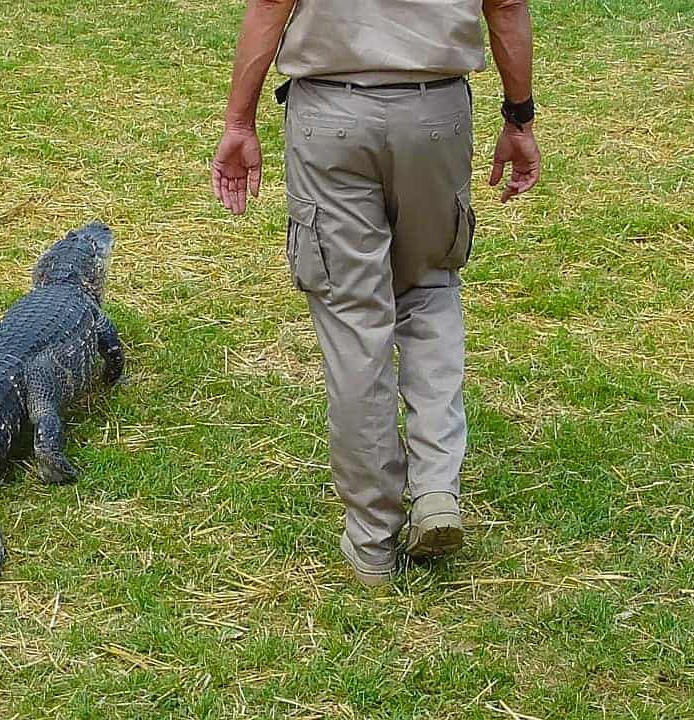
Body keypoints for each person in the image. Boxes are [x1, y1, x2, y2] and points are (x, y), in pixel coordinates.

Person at [212, 0, 541, 586]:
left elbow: (269, 5)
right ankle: (436, 486)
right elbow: (507, 6)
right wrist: (519, 118)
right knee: (431, 289)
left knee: (353, 319)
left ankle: (372, 538)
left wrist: (240, 121)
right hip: (436, 113)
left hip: (329, 114)